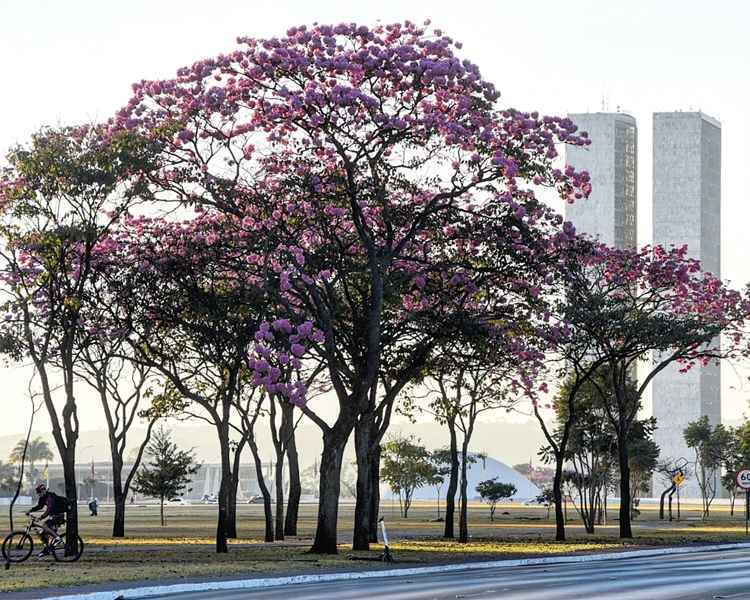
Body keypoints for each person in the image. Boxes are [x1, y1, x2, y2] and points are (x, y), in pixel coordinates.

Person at [26, 483, 67, 557]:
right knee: (43, 534)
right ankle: (46, 550)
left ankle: (57, 538)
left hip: (58, 515)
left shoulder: (50, 497)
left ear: (44, 491)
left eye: (40, 493)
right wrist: (30, 510)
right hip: (53, 515)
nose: (39, 494)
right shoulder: (43, 498)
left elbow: (49, 510)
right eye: (38, 493)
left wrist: (41, 517)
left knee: (44, 525)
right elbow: (39, 506)